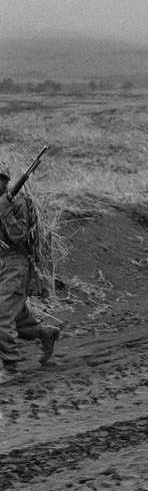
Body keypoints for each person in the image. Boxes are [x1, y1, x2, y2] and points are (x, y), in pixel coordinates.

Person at [0, 161, 59, 383]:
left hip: (15, 265)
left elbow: (19, 236)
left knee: (2, 316)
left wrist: (5, 212)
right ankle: (45, 334)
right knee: (16, 320)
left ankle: (11, 366)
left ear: (6, 181)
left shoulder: (16, 203)